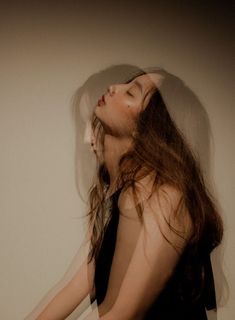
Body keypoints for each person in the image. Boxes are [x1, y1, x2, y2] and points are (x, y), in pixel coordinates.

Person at [29, 69, 223, 319]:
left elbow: (123, 313)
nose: (113, 87)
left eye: (131, 92)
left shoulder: (166, 198)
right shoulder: (119, 194)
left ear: (151, 128)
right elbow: (77, 286)